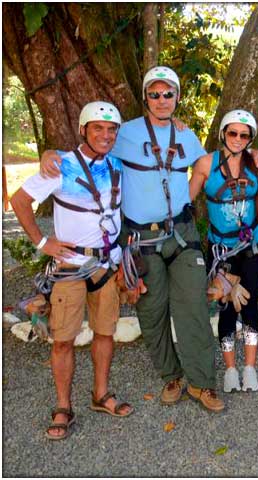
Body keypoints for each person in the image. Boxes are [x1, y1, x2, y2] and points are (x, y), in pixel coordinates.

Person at [39, 66, 224, 413]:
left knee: (193, 309)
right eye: (154, 94)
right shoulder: (124, 132)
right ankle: (171, 376)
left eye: (168, 94)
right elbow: (88, 150)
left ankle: (203, 383)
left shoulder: (185, 135)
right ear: (145, 98)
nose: (162, 100)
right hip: (141, 238)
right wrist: (49, 154)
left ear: (177, 97)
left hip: (181, 233)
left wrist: (187, 198)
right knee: (151, 311)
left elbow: (202, 164)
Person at [11, 101, 133, 440]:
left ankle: (100, 394)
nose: (106, 135)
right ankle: (63, 406)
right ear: (83, 130)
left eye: (111, 130)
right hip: (70, 267)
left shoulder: (117, 167)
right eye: (98, 128)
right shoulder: (61, 166)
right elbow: (19, 201)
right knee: (63, 340)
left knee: (105, 332)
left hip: (106, 265)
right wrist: (41, 242)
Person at [189, 109, 258, 393]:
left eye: (244, 135)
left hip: (252, 246)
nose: (238, 138)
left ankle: (249, 368)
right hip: (221, 250)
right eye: (232, 133)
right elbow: (186, 200)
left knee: (249, 304)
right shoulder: (205, 164)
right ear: (223, 133)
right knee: (225, 306)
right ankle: (230, 370)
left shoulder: (256, 162)